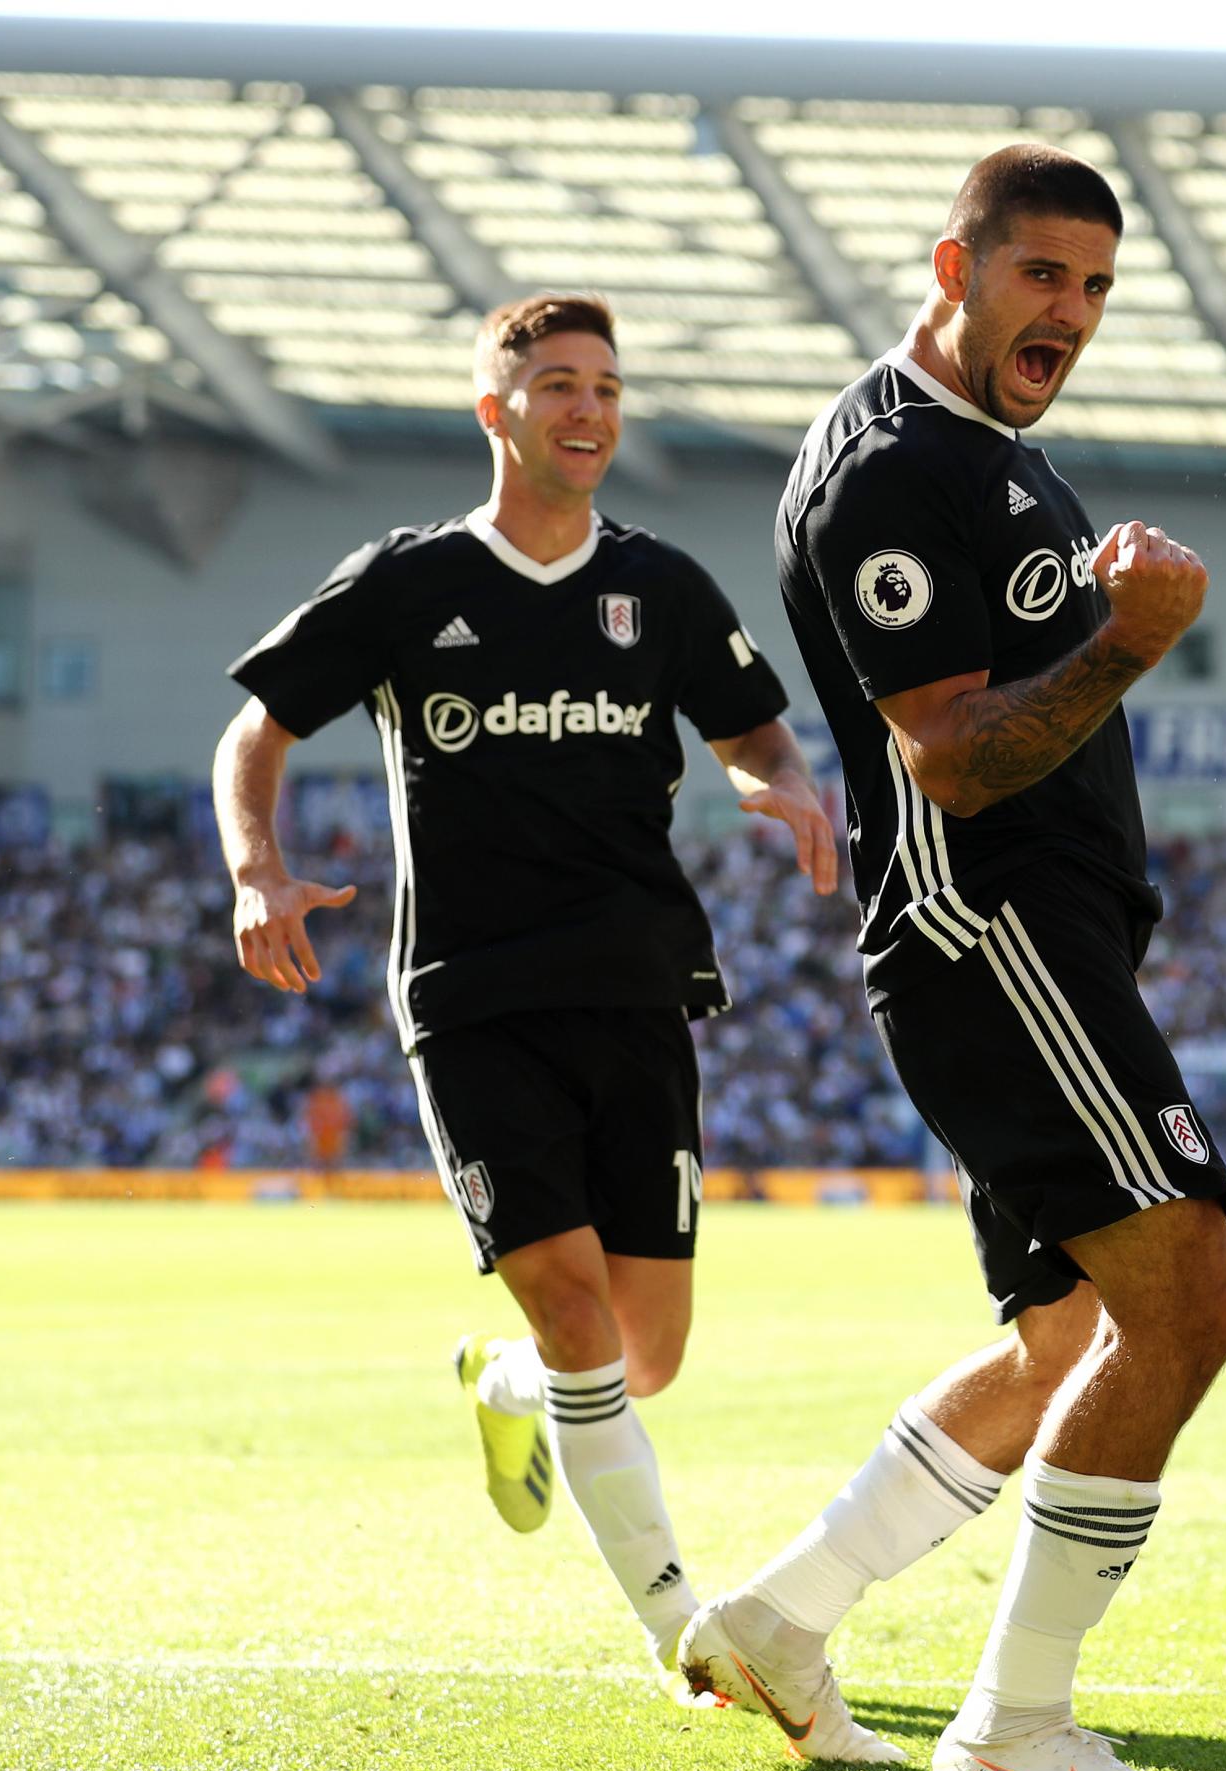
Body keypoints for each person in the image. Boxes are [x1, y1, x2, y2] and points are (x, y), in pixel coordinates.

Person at [676, 145, 1226, 1771]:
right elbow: (949, 761)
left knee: (1067, 1337)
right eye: (1040, 276)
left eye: (1093, 289)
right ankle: (1017, 1729)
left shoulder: (994, 456)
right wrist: (1131, 639)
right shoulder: (887, 466)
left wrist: (1101, 615)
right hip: (987, 929)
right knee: (1189, 1302)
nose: (1067, 314)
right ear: (956, 264)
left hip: (1027, 937)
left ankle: (781, 1620)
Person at [212, 292, 838, 1694]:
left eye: (608, 387)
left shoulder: (663, 586)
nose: (590, 409)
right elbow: (255, 729)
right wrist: (256, 870)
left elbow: (755, 731)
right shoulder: (408, 580)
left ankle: (508, 1387)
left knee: (643, 1350)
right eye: (558, 383)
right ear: (494, 409)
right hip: (472, 994)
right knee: (578, 1316)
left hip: (638, 988)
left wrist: (784, 789)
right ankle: (686, 1627)